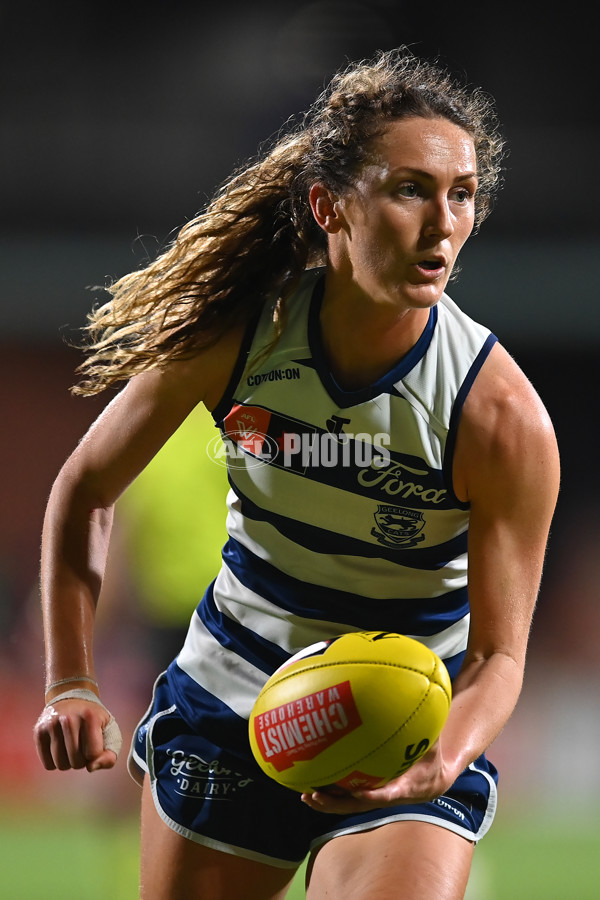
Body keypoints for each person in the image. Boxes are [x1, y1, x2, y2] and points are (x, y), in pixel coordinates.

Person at [33, 47, 560, 900]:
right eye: (408, 189)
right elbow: (85, 488)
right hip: (234, 696)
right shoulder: (238, 335)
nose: (442, 224)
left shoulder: (499, 418)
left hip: (408, 726)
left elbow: (500, 656)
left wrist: (441, 760)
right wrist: (69, 680)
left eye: (461, 194)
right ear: (329, 207)